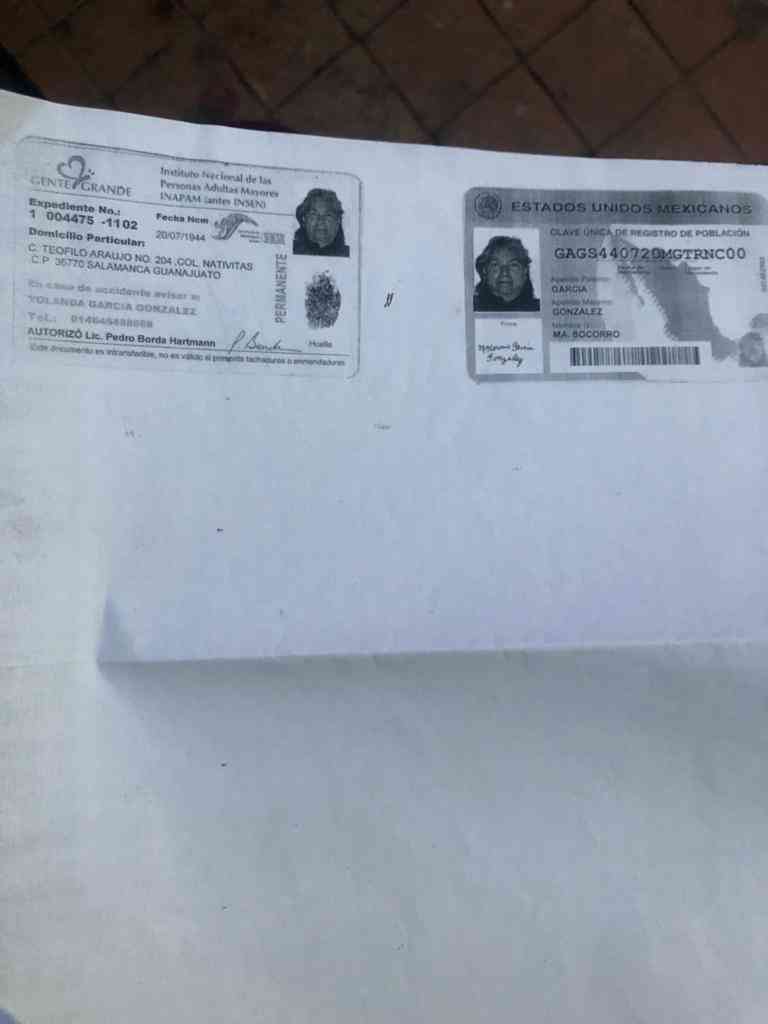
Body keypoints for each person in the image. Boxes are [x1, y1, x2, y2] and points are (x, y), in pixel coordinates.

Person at [473, 236, 540, 312]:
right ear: (485, 271)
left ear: (525, 271)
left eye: (513, 265)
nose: (504, 272)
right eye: (496, 265)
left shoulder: (540, 309)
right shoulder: (472, 308)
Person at [293, 188, 349, 257]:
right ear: (304, 219)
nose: (320, 221)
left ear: (338, 221)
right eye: (314, 214)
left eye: (328, 215)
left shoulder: (348, 255)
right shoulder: (290, 250)